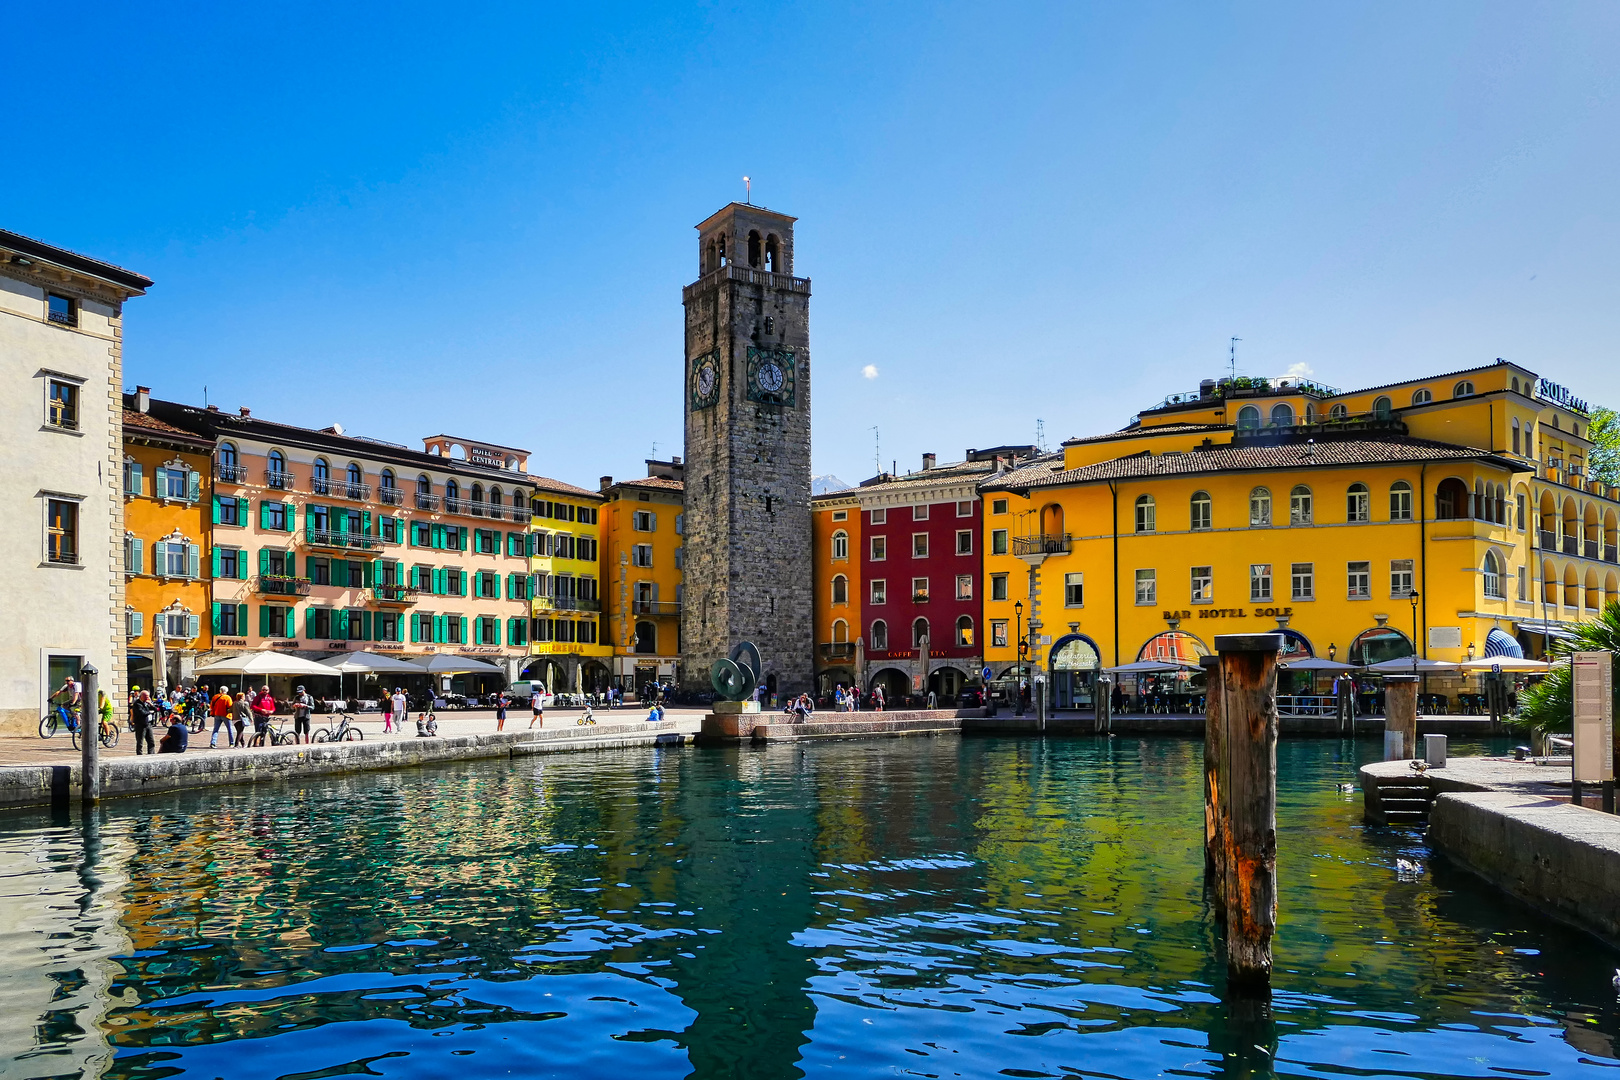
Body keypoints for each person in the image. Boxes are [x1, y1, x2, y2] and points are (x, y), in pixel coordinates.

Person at [130, 689, 158, 754]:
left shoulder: (147, 703)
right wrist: (149, 712)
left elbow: (156, 709)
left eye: (148, 696)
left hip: (148, 724)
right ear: (142, 696)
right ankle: (139, 755)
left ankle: (151, 754)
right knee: (140, 742)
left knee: (151, 742)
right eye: (146, 696)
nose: (148, 698)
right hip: (140, 725)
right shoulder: (137, 704)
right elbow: (141, 713)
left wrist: (151, 704)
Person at [209, 683, 234, 747]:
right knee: (230, 729)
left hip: (217, 714)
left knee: (215, 730)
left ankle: (213, 743)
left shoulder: (215, 696)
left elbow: (211, 705)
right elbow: (230, 706)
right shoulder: (227, 697)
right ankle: (231, 743)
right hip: (226, 715)